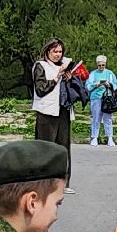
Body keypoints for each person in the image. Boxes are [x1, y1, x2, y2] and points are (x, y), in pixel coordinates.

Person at [32, 38, 73, 186]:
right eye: (55, 51)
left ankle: (63, 182)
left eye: (60, 52)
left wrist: (69, 78)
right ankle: (43, 181)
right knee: (45, 147)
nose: (58, 54)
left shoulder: (63, 66)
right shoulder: (40, 66)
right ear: (47, 51)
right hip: (46, 112)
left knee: (63, 148)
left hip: (63, 110)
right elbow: (40, 89)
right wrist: (56, 78)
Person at [86, 55, 117, 147]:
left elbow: (116, 84)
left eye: (103, 65)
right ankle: (94, 137)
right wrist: (95, 84)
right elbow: (88, 86)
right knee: (96, 118)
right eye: (99, 65)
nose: (101, 67)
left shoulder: (110, 73)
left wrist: (109, 85)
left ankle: (110, 137)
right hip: (96, 97)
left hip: (107, 98)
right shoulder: (93, 74)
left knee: (108, 118)